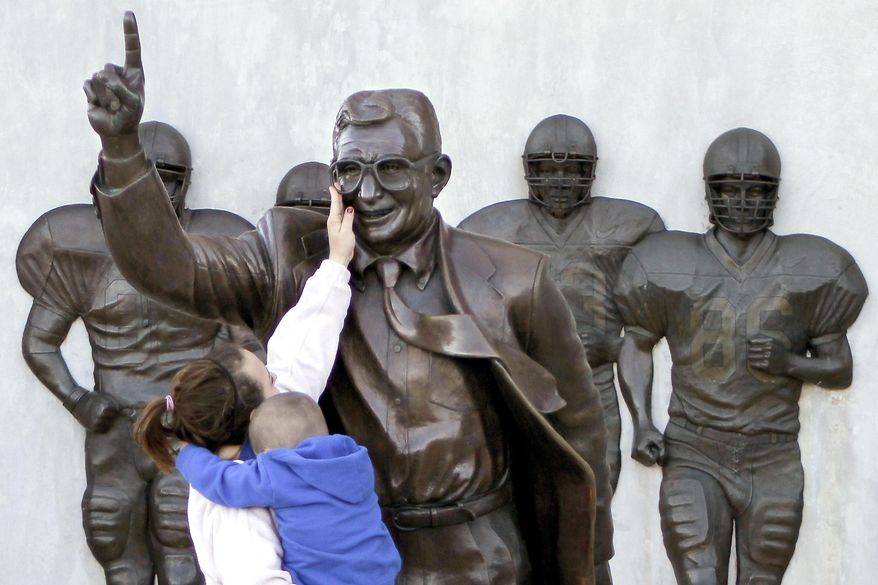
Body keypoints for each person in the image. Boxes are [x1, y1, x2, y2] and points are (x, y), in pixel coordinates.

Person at [85, 13, 612, 584]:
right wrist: (121, 149)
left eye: (390, 169)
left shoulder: (516, 279)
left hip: (483, 555)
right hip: (342, 555)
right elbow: (171, 270)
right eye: (350, 171)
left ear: (437, 175)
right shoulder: (290, 257)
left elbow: (579, 431)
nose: (367, 191)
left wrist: (592, 563)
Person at [614, 127, 868, 585]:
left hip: (772, 455)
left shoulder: (817, 267)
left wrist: (791, 363)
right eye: (731, 189)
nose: (744, 202)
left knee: (761, 580)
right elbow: (636, 341)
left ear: (774, 194)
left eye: (756, 190)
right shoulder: (667, 261)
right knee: (698, 574)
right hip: (694, 448)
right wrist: (643, 422)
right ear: (710, 192)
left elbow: (840, 369)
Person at [16, 120, 260, 585]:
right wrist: (78, 398)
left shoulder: (214, 249)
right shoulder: (80, 253)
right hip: (115, 427)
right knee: (112, 536)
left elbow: (248, 343)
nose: (151, 188)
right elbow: (38, 341)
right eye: (140, 173)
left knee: (183, 545)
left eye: (164, 175)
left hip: (187, 424)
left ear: (185, 183)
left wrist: (221, 406)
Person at [135, 188, 356, 585]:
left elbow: (303, 346)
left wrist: (337, 262)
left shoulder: (267, 421)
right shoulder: (230, 510)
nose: (278, 378)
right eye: (269, 377)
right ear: (254, 413)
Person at [459, 114, 665, 495]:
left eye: (571, 170)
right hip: (522, 380)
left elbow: (648, 315)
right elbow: (462, 303)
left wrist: (613, 346)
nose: (559, 182)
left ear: (589, 172)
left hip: (592, 380)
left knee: (594, 495)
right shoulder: (492, 228)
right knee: (523, 496)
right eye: (548, 170)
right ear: (530, 171)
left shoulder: (627, 225)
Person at [176, 393, 402, 585]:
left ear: (266, 454)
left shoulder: (281, 473)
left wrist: (187, 453)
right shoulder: (354, 460)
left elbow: (224, 481)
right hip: (380, 573)